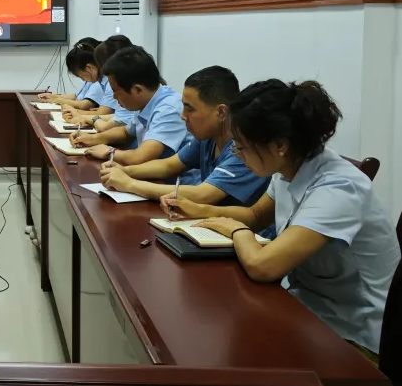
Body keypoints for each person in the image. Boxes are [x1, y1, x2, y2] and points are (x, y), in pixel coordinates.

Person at [163, 79, 400, 360]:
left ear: (279, 145)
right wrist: (198, 210)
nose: (238, 154)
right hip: (308, 306)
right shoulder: (289, 168)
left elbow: (263, 266)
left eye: (242, 147)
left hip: (353, 334)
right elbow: (254, 215)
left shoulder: (339, 189)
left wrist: (237, 231)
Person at [99, 66, 268, 210]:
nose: (183, 116)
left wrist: (130, 184)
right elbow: (168, 165)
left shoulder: (242, 148)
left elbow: (203, 194)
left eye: (190, 109)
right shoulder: (207, 137)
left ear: (221, 112)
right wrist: (125, 171)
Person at [73, 46, 190, 166]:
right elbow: (126, 132)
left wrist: (109, 152)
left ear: (137, 90)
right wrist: (93, 138)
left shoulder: (169, 109)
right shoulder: (146, 100)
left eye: (116, 91)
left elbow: (140, 157)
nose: (114, 97)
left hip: (174, 177)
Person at [63, 34, 137, 131]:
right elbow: (119, 117)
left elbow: (109, 122)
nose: (115, 97)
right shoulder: (121, 82)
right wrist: (88, 118)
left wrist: (83, 116)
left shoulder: (121, 84)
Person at [36, 38, 102, 109]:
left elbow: (85, 104)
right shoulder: (91, 78)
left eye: (80, 76)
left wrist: (58, 100)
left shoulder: (98, 80)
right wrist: (54, 96)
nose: (83, 79)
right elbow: (77, 96)